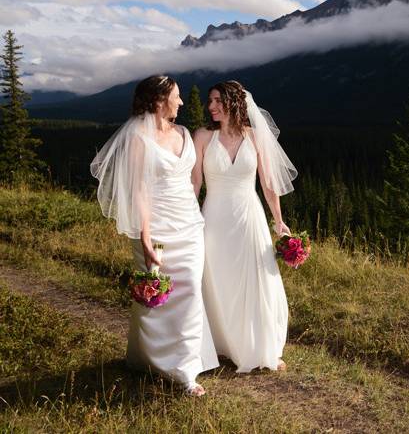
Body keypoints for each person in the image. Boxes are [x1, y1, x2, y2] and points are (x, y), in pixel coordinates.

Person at [90, 74, 218, 396]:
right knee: (154, 296)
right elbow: (139, 191)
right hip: (156, 227)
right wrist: (145, 236)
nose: (182, 102)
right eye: (177, 96)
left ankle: (186, 370)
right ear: (160, 100)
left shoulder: (185, 133)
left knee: (189, 291)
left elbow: (192, 181)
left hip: (189, 225)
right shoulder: (137, 137)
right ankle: (149, 358)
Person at [192, 80, 297, 373]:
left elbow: (268, 184)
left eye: (216, 100)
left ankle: (259, 346)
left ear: (233, 103)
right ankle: (221, 344)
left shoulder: (253, 137)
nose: (210, 106)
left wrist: (279, 220)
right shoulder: (201, 136)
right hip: (213, 216)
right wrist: (189, 217)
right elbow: (195, 183)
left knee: (255, 278)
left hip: (249, 216)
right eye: (210, 101)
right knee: (217, 277)